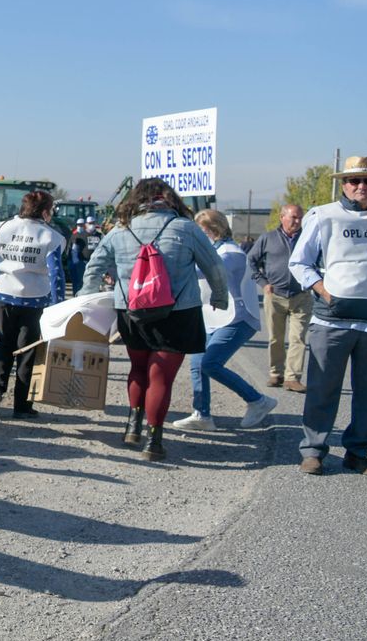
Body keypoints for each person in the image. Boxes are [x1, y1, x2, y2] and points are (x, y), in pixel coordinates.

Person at [80, 179, 226, 460]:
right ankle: (154, 442)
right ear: (170, 199)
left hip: (131, 311)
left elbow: (94, 266)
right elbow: (215, 267)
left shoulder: (120, 230)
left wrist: (86, 300)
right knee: (160, 378)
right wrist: (220, 297)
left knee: (138, 369)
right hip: (178, 312)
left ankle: (132, 426)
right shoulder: (186, 228)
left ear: (137, 199)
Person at [287, 156, 367, 477]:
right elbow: (299, 264)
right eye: (354, 181)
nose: (361, 187)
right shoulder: (324, 216)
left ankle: (358, 453)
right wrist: (325, 293)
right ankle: (313, 451)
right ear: (343, 183)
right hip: (331, 320)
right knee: (323, 388)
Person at [171, 210, 278, 432]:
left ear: (213, 230)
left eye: (200, 231)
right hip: (214, 317)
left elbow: (204, 272)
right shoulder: (216, 250)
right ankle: (202, 415)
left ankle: (258, 400)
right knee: (197, 364)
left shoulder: (230, 254)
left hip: (237, 318)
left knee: (210, 363)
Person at [0, 190, 66, 420]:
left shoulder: (2, 227)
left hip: (2, 294)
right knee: (27, 350)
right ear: (46, 211)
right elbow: (56, 275)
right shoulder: (51, 237)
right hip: (34, 299)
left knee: (3, 343)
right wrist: (60, 307)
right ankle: (21, 406)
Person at [247, 203, 310, 392]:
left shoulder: (308, 238)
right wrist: (263, 283)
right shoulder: (268, 238)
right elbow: (250, 261)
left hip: (302, 296)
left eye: (300, 217)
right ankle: (276, 373)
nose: (298, 221)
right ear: (282, 217)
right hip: (275, 296)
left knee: (298, 338)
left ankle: (293, 378)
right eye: (294, 217)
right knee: (276, 337)